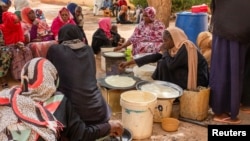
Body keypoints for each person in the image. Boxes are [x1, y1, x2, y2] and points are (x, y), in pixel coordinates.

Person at [0, 57, 124, 140]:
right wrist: (110, 126)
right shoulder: (58, 102)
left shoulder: (8, 96)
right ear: (53, 78)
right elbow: (80, 135)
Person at [47, 24, 113, 127]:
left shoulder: (55, 50)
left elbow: (49, 76)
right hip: (99, 111)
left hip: (74, 116)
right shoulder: (88, 49)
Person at [119, 27, 209, 91]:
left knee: (164, 63)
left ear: (174, 39)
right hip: (185, 72)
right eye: (163, 40)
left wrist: (165, 51)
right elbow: (153, 57)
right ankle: (165, 89)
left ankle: (173, 91)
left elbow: (171, 65)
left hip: (198, 79)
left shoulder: (185, 48)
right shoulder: (173, 48)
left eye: (166, 40)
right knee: (162, 62)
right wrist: (128, 63)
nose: (164, 43)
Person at [209, 0, 250, 124]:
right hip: (234, 28)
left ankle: (240, 103)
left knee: (227, 68)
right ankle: (221, 111)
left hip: (230, 26)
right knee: (228, 69)